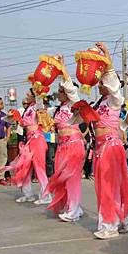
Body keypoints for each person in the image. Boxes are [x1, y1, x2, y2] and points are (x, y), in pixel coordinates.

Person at [86, 42, 128, 240]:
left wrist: (107, 58)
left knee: (108, 186)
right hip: (101, 147)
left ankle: (109, 225)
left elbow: (114, 84)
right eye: (99, 82)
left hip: (111, 145)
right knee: (108, 186)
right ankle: (126, 217)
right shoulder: (100, 103)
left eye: (103, 82)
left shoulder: (114, 99)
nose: (100, 85)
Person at [44, 57, 86, 222]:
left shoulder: (74, 104)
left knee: (72, 178)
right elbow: (41, 107)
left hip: (74, 145)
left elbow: (70, 87)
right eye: (59, 91)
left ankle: (73, 210)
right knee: (62, 177)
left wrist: (62, 68)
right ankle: (74, 206)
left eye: (62, 91)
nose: (59, 93)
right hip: (62, 147)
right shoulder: (57, 109)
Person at [0, 88, 50, 204]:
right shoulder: (28, 109)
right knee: (25, 168)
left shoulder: (37, 107)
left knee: (39, 168)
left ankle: (46, 196)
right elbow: (23, 124)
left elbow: (40, 100)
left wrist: (37, 87)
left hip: (37, 139)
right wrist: (14, 117)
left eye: (29, 93)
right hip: (29, 140)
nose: (26, 94)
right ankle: (28, 194)